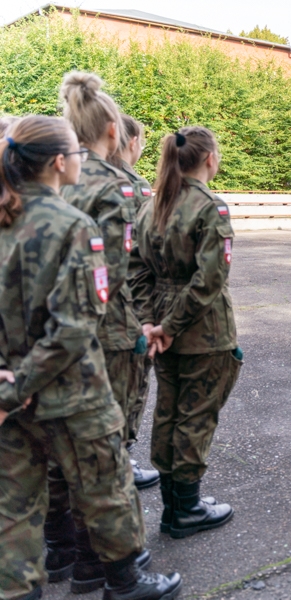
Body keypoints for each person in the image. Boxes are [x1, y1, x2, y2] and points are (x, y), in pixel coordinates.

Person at [0, 115, 182, 600]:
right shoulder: (71, 225)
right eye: (77, 156)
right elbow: (75, 327)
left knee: (14, 511)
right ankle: (125, 581)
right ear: (60, 162)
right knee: (106, 483)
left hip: (9, 399)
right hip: (70, 391)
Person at [57, 71, 153, 592]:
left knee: (62, 451)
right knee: (104, 453)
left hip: (51, 332)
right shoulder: (114, 186)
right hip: (105, 335)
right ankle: (104, 563)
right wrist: (142, 326)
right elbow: (114, 276)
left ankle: (63, 552)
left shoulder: (55, 178)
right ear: (113, 132)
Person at [130, 126, 240, 539]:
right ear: (209, 158)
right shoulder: (210, 207)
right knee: (196, 416)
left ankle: (176, 504)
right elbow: (209, 279)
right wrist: (172, 326)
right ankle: (185, 509)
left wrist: (150, 322)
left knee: (169, 411)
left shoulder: (152, 205)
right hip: (202, 332)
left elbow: (136, 270)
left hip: (161, 327)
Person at [115, 113, 161, 490]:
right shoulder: (134, 186)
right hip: (127, 308)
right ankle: (121, 459)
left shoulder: (76, 179)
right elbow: (146, 255)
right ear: (131, 142)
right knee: (131, 386)